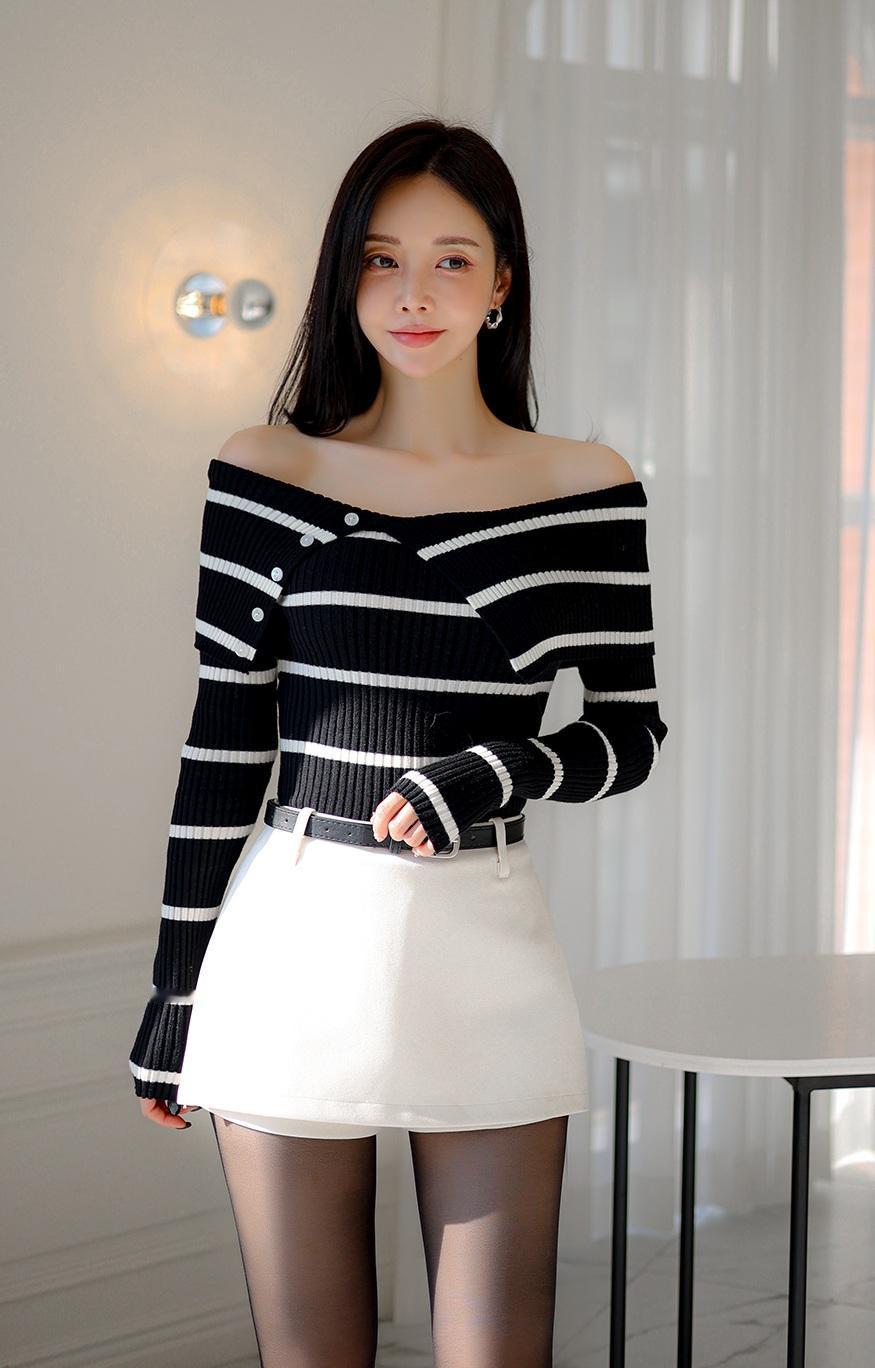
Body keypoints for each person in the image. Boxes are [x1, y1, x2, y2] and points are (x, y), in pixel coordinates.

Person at [128, 116, 668, 1367]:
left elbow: (628, 732)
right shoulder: (265, 471)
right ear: (343, 276)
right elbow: (222, 748)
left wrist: (501, 769)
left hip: (486, 940)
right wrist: (173, 994)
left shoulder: (582, 488)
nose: (412, 294)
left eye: (449, 261)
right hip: (290, 943)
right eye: (380, 260)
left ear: (500, 283)